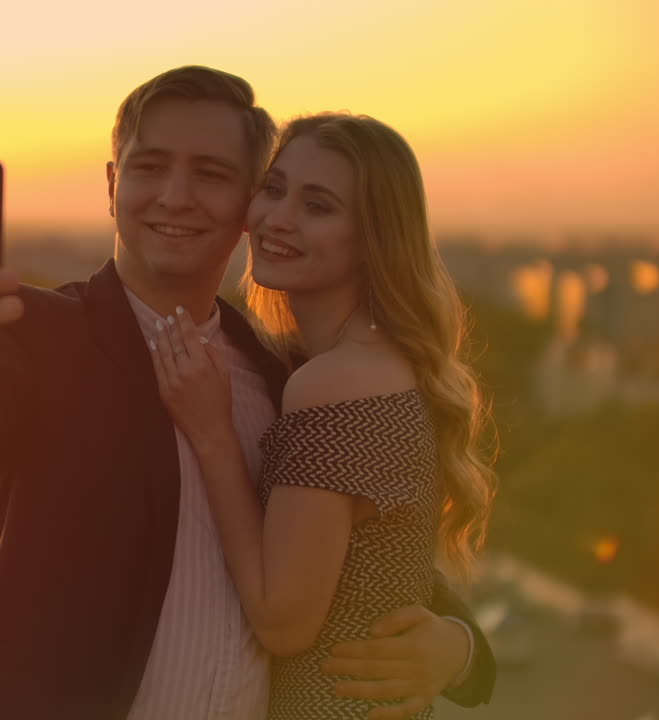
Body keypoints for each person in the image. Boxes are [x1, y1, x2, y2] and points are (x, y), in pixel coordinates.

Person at [0, 66, 495, 719]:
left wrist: (458, 647)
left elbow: (358, 557)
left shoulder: (283, 375)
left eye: (211, 174)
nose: (175, 195)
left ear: (245, 204)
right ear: (113, 185)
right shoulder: (38, 335)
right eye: (149, 167)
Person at [148, 112, 497, 719]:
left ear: (373, 240)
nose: (278, 218)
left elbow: (283, 622)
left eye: (319, 206)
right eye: (275, 189)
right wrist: (459, 643)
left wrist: (212, 433)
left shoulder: (337, 383)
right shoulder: (370, 364)